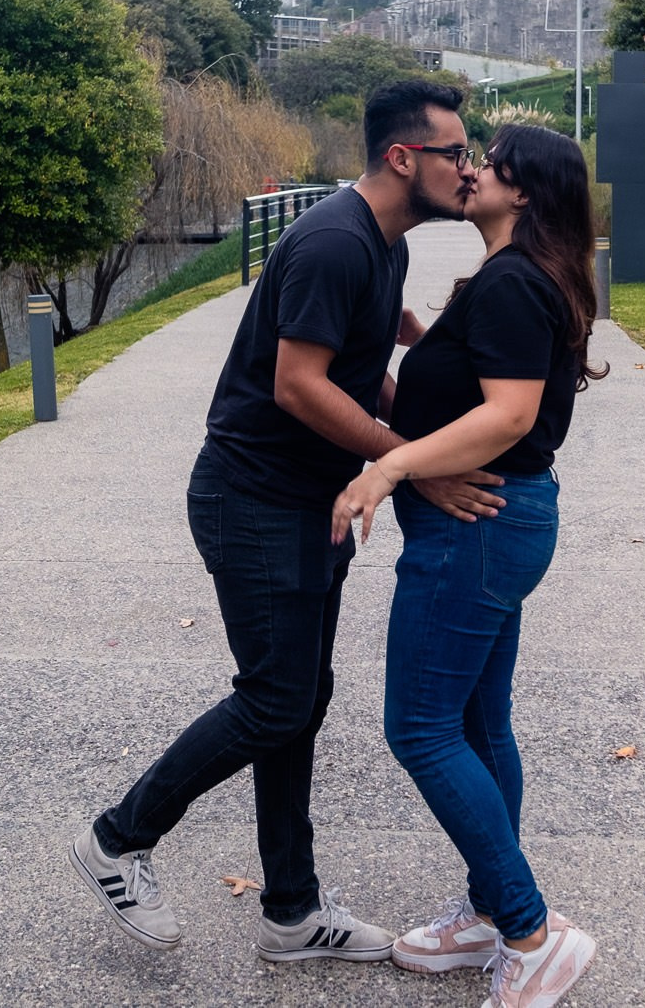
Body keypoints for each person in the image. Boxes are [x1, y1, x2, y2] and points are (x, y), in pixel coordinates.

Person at [71, 78, 505, 964]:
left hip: (306, 501)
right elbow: (299, 385)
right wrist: (406, 465)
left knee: (300, 700)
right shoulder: (335, 242)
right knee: (275, 698)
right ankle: (118, 838)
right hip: (253, 498)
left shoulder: (385, 244)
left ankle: (292, 910)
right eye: (456, 153)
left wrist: (420, 449)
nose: (468, 168)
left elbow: (359, 371)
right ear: (403, 157)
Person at [332, 124, 608, 1008]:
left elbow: (511, 414)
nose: (473, 170)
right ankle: (492, 913)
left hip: (477, 530)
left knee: (420, 727)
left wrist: (391, 466)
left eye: (490, 162)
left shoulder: (515, 281)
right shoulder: (513, 277)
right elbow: (485, 386)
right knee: (482, 726)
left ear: (522, 191)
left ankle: (530, 932)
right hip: (498, 526)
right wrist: (422, 344)